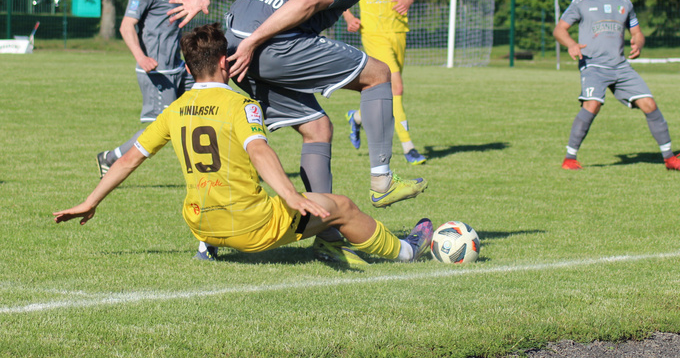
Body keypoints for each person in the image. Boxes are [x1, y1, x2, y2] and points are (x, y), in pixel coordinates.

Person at [55, 23, 434, 266]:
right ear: (225, 61)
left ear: (188, 69)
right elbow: (259, 150)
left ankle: (208, 245)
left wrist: (90, 202)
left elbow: (127, 161)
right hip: (249, 228)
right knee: (342, 207)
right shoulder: (241, 105)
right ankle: (406, 250)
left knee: (209, 192)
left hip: (200, 222)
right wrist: (289, 194)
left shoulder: (175, 110)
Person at [167, 0, 429, 266]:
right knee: (379, 74)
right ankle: (382, 180)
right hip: (265, 47)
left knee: (317, 128)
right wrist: (254, 43)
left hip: (234, 47)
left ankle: (328, 240)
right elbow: (306, 4)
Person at [553, 0, 680, 172]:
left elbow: (637, 32)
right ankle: (569, 158)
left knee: (649, 104)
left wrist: (639, 42)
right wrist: (571, 44)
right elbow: (559, 30)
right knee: (592, 105)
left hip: (620, 67)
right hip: (593, 66)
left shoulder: (625, 3)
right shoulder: (582, 1)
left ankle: (669, 158)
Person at [96, 0, 193, 178]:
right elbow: (126, 26)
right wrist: (141, 57)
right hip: (157, 73)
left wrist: (189, 61)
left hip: (178, 69)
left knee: (210, 103)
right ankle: (111, 158)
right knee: (159, 130)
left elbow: (170, 29)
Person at [342, 0, 426, 165]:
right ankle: (409, 147)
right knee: (395, 86)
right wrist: (348, 17)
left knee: (391, 89)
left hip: (398, 30)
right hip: (373, 32)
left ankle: (356, 118)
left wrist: (408, 0)